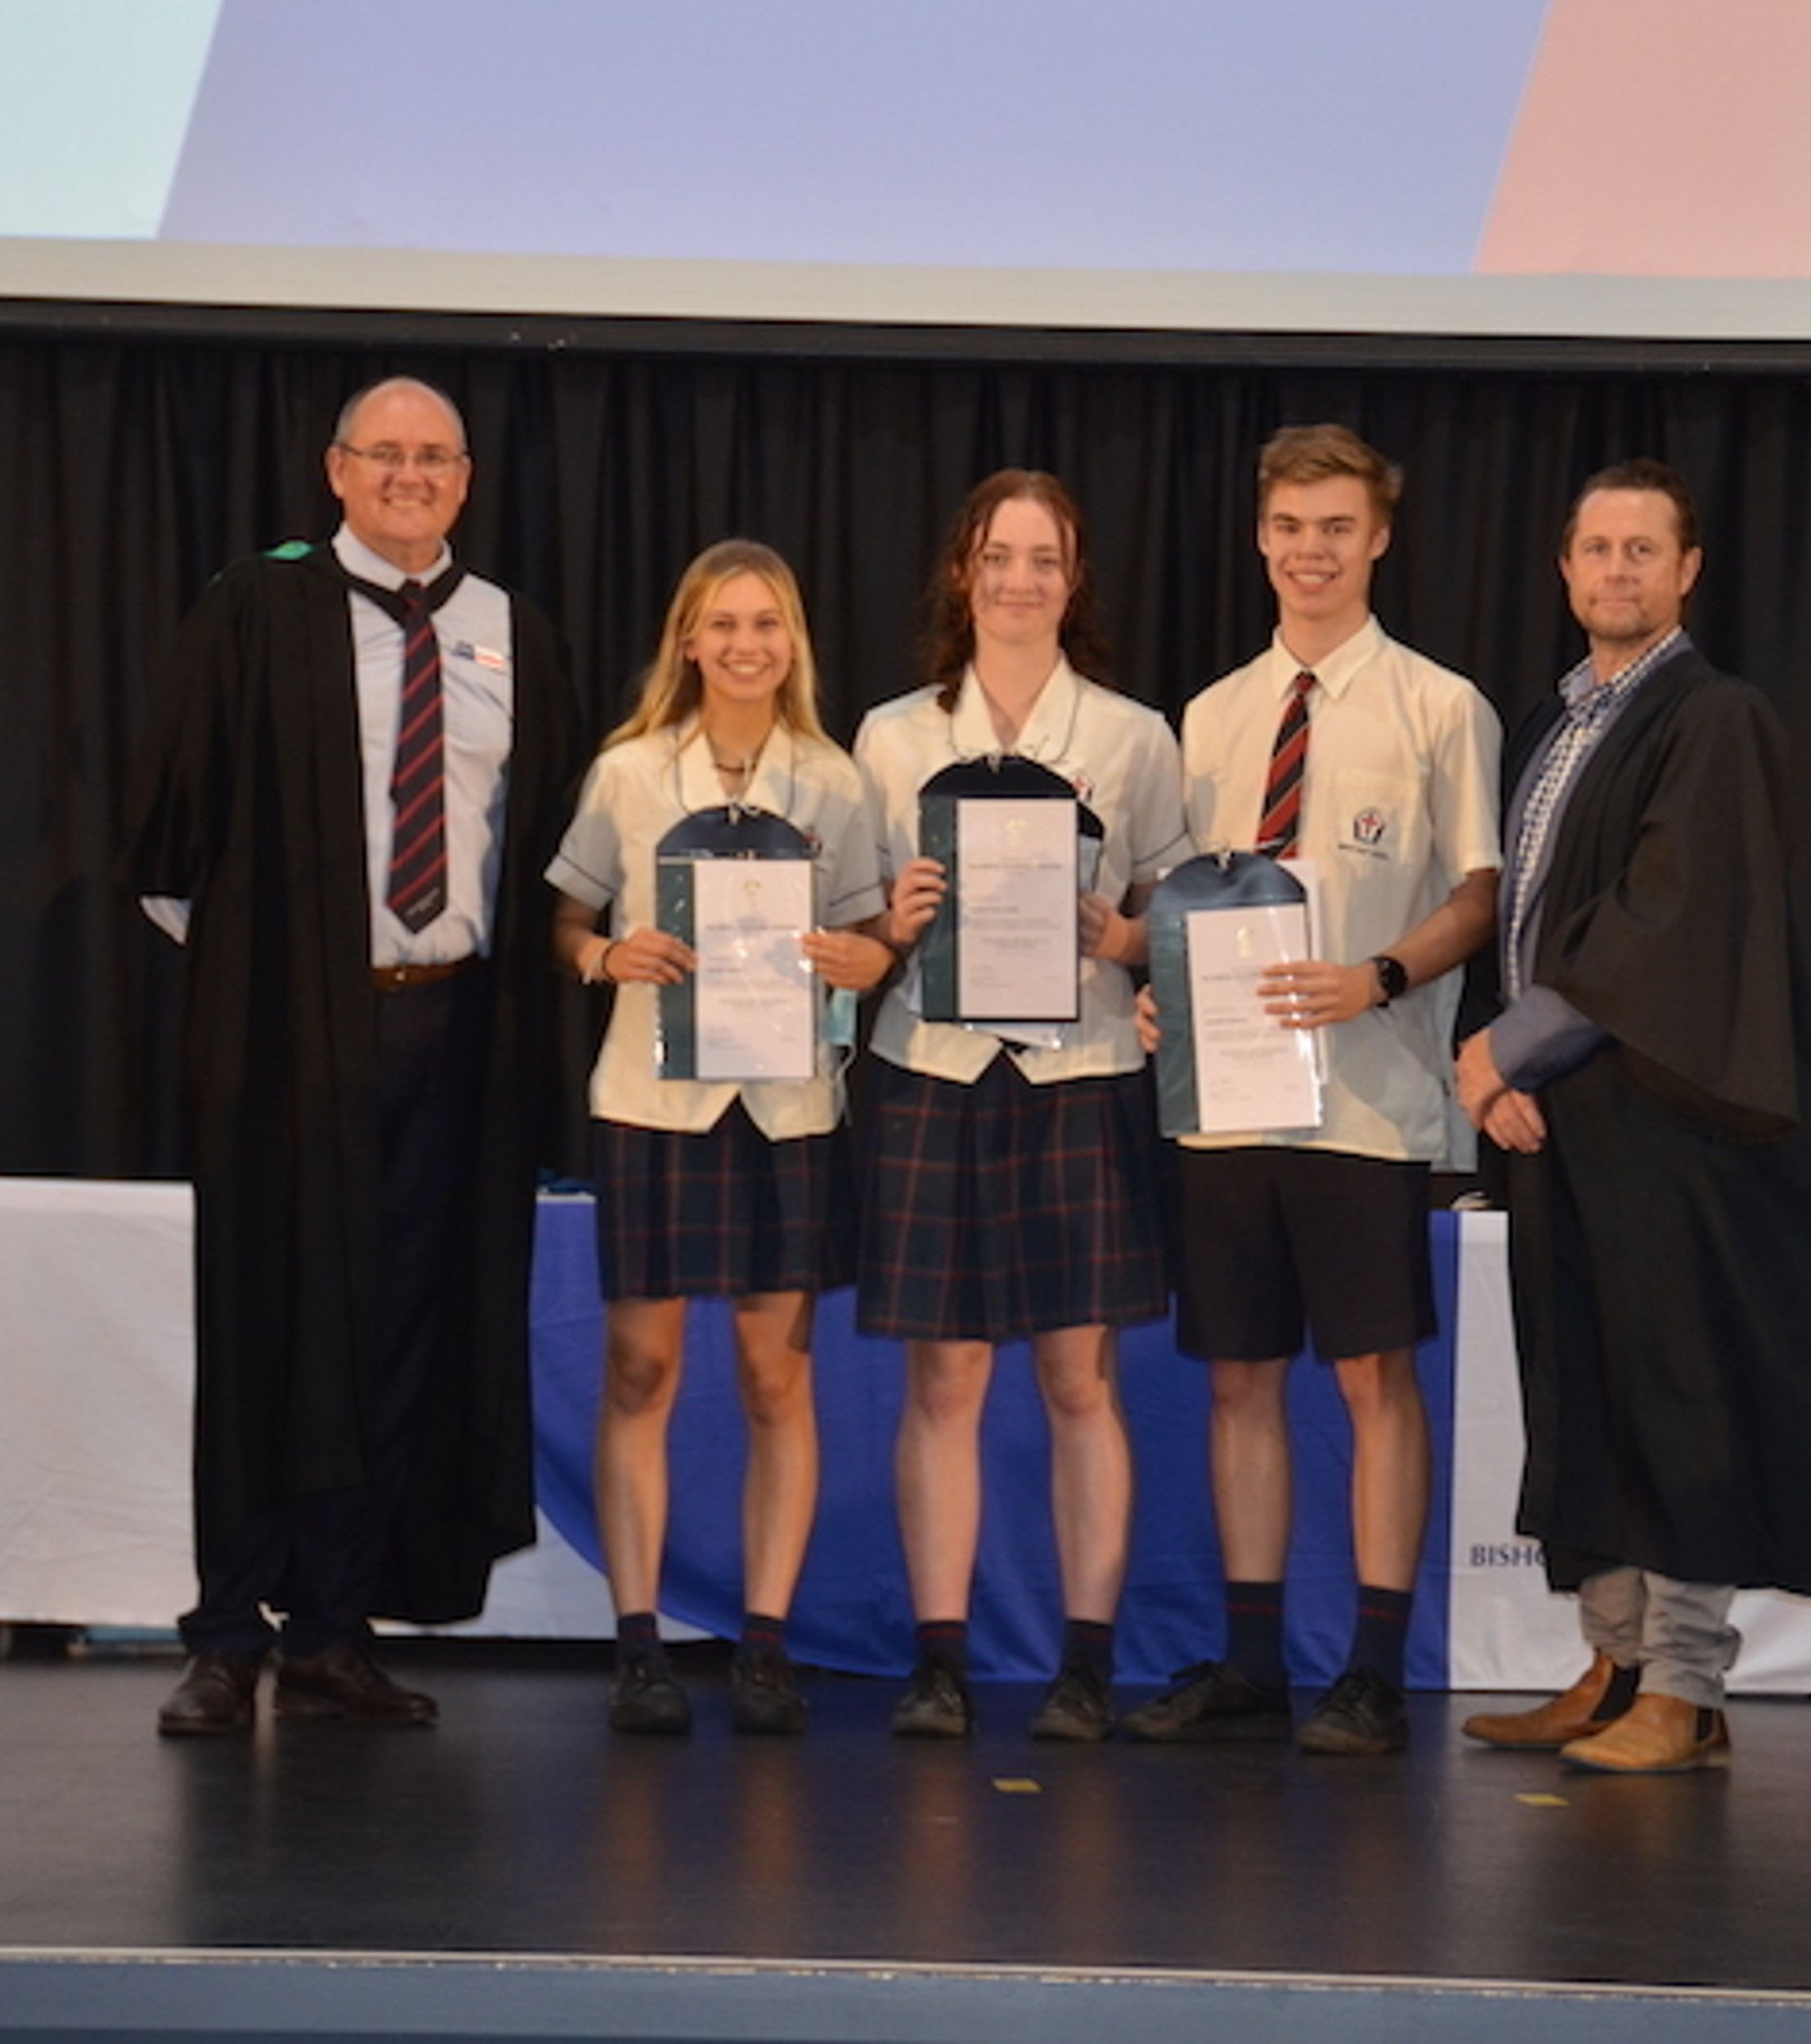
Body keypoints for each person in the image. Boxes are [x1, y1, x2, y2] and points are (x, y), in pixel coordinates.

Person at [131, 376, 580, 1734]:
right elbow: (172, 844)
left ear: (466, 479)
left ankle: (333, 1630)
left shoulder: (515, 632)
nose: (408, 475)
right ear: (336, 470)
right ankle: (226, 1634)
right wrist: (265, 996)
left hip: (458, 1037)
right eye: (383, 453)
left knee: (401, 1334)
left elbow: (549, 851)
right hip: (285, 1041)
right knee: (265, 1325)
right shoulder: (254, 610)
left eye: (433, 456)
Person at [1454, 459, 1811, 1774]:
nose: (1618, 571)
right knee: (1586, 1390)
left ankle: (1686, 1691)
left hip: (1674, 1121)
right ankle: (1615, 1664)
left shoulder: (1714, 716)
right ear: (1565, 568)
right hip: (1569, 1118)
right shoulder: (1555, 720)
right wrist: (1511, 1078)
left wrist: (1506, 1051)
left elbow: (1664, 920)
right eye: (1597, 548)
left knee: (1680, 1395)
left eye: (1644, 549)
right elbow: (1529, 918)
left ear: (1688, 571)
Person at [1123, 424, 1500, 1755]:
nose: (1311, 551)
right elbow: (1187, 902)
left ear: (1379, 538)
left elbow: (1480, 894)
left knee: (1372, 1379)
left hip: (1369, 1101)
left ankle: (1375, 1672)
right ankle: (1252, 1662)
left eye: (1337, 527)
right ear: (1260, 538)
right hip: (1228, 1104)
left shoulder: (1440, 705)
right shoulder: (1213, 715)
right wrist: (1162, 994)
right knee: (1239, 1379)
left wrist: (1378, 976)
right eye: (1289, 527)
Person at [855, 470, 1192, 1741]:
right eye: (998, 556)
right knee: (944, 1381)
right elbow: (853, 926)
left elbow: (1174, 915)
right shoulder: (892, 735)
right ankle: (939, 1660)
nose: (1019, 580)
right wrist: (892, 924)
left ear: (1073, 578)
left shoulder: (1133, 736)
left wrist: (1125, 939)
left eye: (1044, 559)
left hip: (1080, 1074)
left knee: (1078, 1380)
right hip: (932, 1070)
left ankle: (1086, 1664)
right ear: (964, 572)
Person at [548, 540, 891, 1736]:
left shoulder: (833, 781)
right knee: (642, 1370)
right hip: (657, 1104)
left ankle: (766, 1642)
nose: (747, 645)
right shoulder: (631, 773)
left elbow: (870, 937)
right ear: (688, 642)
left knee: (773, 1377)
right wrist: (605, 955)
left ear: (793, 643)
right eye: (725, 625)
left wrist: (868, 959)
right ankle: (639, 1643)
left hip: (788, 1112)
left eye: (768, 624)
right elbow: (567, 916)